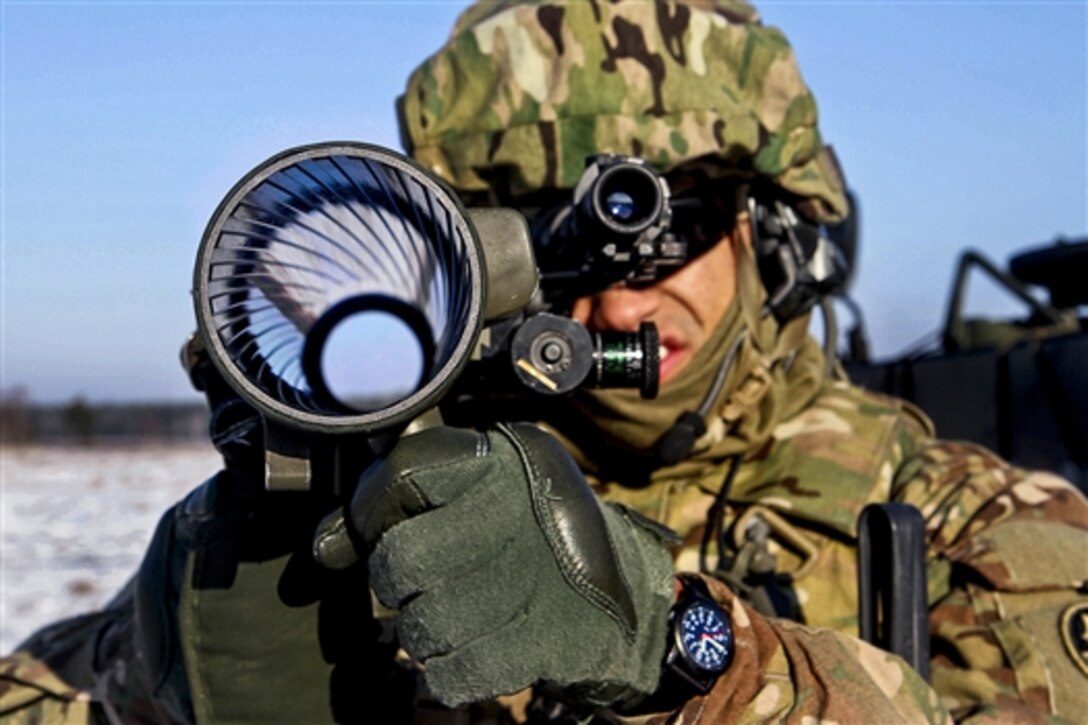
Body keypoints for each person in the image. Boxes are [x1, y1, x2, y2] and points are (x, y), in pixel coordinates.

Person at [3, 1, 1086, 723]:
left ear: (773, 228)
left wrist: (682, 648)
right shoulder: (413, 493)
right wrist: (166, 654)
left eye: (674, 223)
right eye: (546, 238)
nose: (615, 296)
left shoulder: (963, 517)